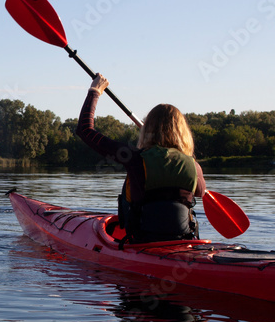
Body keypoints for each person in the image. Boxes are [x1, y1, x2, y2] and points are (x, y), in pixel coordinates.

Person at [76, 74, 206, 243]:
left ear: (147, 129)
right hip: (183, 241)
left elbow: (85, 130)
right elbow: (200, 192)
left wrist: (95, 91)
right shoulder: (194, 166)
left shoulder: (134, 159)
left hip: (142, 241)